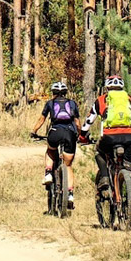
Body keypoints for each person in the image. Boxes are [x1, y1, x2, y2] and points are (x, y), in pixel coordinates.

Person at [81, 75, 131, 201]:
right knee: (128, 166)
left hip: (109, 137)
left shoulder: (101, 100)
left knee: (99, 153)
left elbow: (89, 121)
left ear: (107, 87)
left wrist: (83, 135)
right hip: (129, 137)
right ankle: (130, 192)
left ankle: (105, 177)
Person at [29, 81, 81, 209]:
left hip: (55, 132)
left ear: (53, 93)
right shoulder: (72, 103)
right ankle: (70, 194)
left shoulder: (50, 103)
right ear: (65, 93)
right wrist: (80, 135)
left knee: (50, 151)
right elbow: (77, 123)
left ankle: (48, 173)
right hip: (70, 134)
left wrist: (34, 131)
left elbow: (42, 119)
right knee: (68, 165)